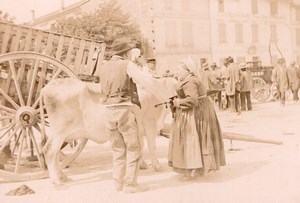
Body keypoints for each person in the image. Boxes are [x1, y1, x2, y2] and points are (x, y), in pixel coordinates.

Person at [100, 38, 148, 193]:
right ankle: (130, 185)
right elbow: (143, 80)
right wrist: (145, 67)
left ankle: (117, 183)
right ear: (126, 52)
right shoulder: (127, 64)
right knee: (134, 147)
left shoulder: (104, 66)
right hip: (123, 110)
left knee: (117, 150)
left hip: (108, 111)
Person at [168, 57, 226, 180]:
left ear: (188, 70)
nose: (177, 71)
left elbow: (192, 100)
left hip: (197, 113)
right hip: (198, 110)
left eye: (179, 69)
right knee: (195, 141)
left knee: (191, 140)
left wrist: (177, 102)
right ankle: (194, 169)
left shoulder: (190, 82)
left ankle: (193, 171)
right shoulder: (188, 80)